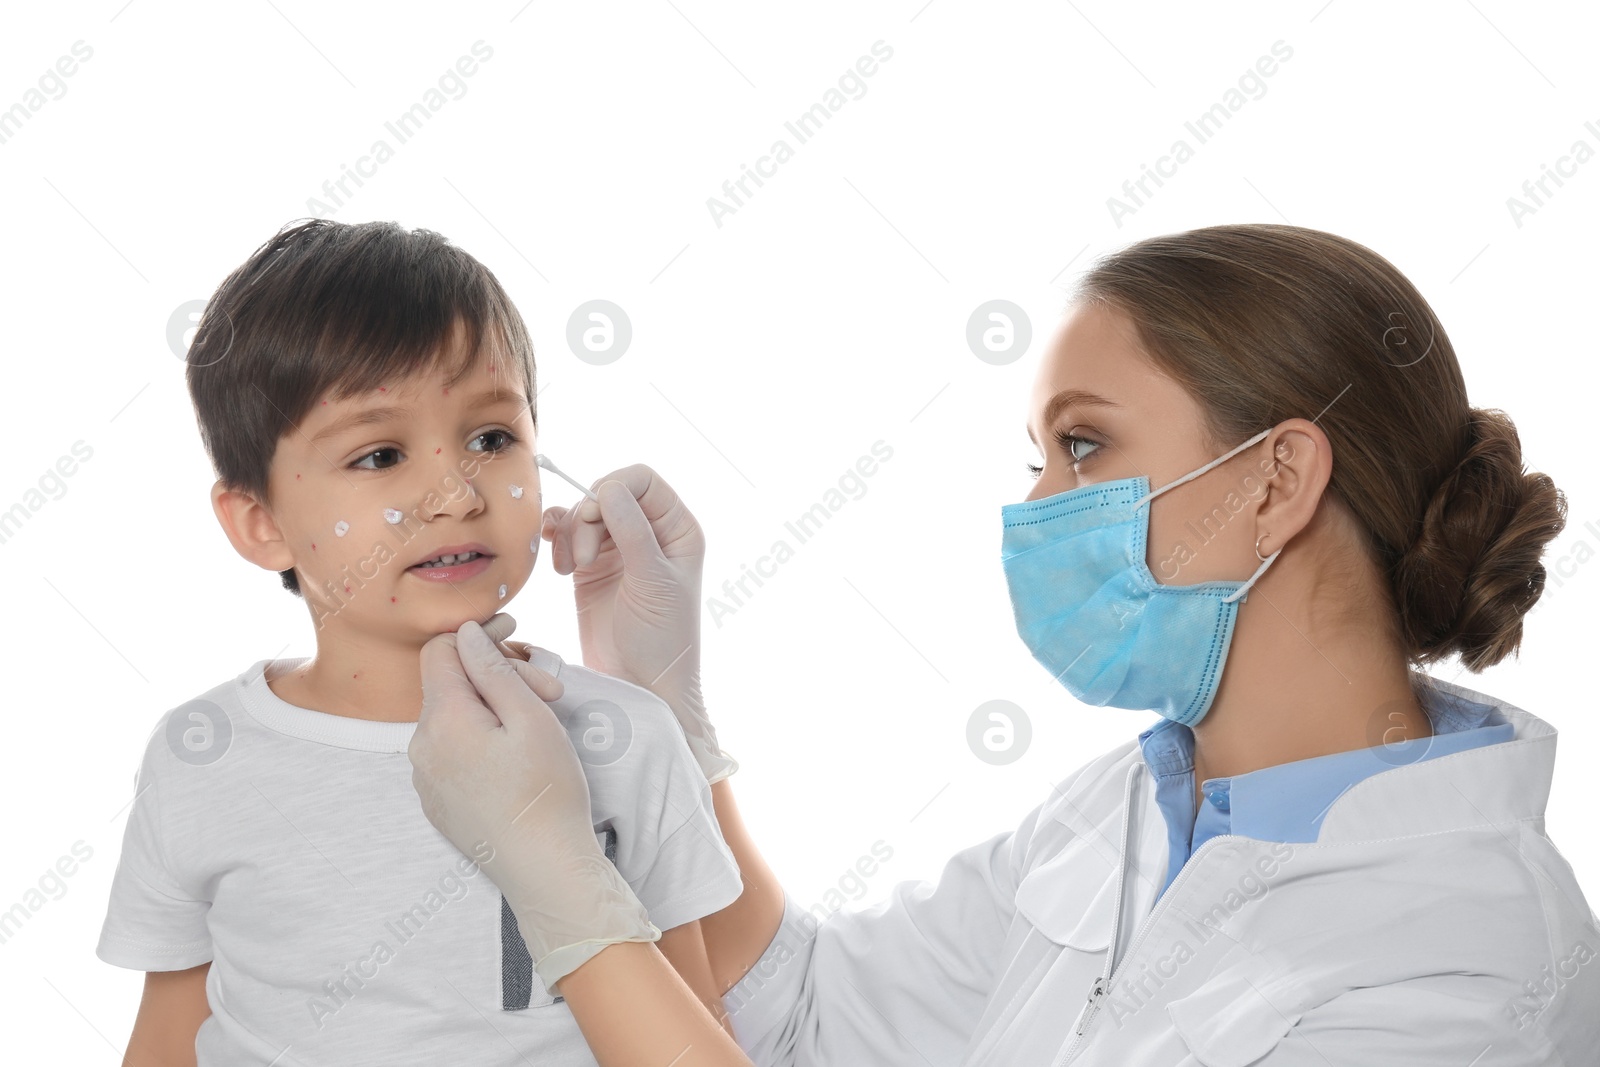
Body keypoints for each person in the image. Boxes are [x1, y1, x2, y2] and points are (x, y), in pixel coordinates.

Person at [409, 223, 1600, 1065]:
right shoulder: (1122, 814)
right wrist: (659, 710)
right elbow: (811, 1019)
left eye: (1081, 447)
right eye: (1036, 456)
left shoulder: (1468, 963)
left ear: (1276, 479)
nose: (1037, 507)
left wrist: (561, 889)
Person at [96, 218, 744, 1065]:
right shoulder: (204, 758)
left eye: (491, 438)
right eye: (379, 455)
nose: (454, 493)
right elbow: (166, 1041)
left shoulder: (628, 740)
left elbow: (698, 1031)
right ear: (260, 522)